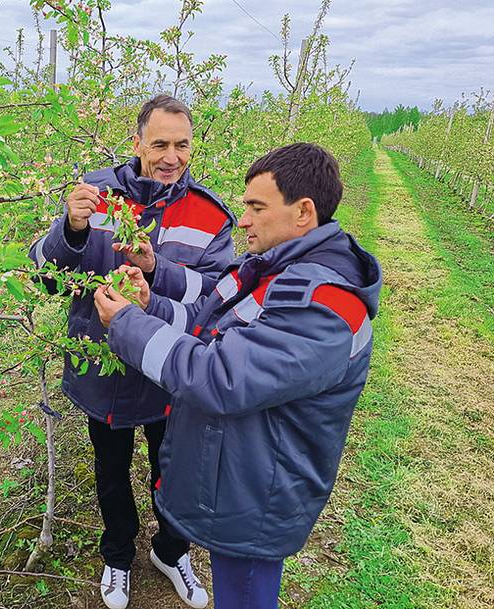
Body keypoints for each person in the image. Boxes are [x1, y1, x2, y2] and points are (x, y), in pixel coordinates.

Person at [93, 142, 382, 609]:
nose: (242, 220)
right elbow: (210, 322)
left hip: (258, 494)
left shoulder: (323, 305)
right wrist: (152, 302)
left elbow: (221, 374)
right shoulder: (275, 268)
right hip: (240, 472)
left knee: (245, 594)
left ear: (303, 212)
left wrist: (127, 323)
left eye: (256, 207)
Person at [29, 94, 236, 609]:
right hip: (103, 373)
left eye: (182, 145)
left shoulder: (209, 216)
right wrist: (71, 230)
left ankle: (172, 551)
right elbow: (46, 277)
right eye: (159, 143)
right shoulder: (94, 195)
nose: (171, 156)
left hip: (172, 372)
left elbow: (215, 297)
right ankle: (118, 556)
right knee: (111, 471)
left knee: (173, 470)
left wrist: (154, 280)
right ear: (137, 140)